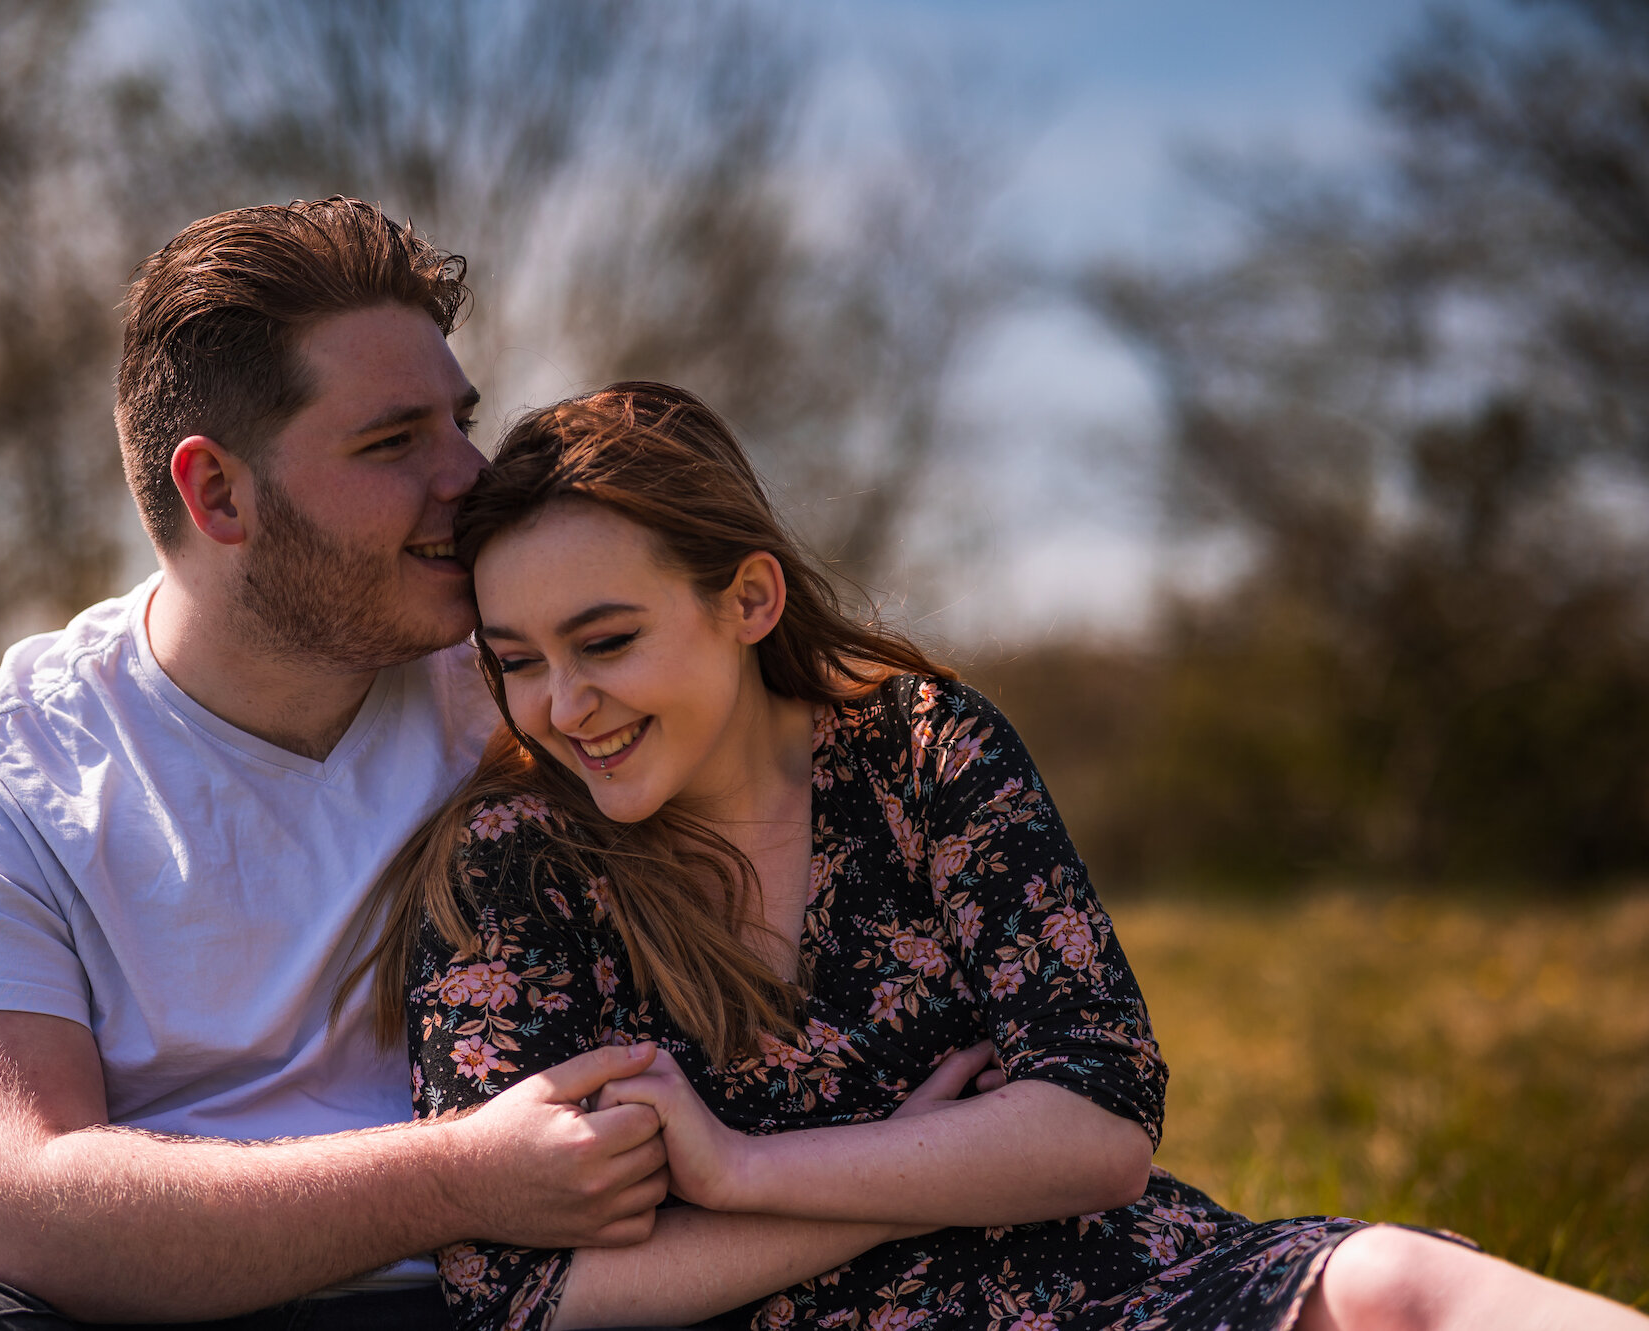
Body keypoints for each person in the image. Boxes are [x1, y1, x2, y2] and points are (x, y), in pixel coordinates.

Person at [370, 381, 1649, 1331]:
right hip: (772, 1321)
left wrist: (745, 1168)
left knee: (1397, 1286)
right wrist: (906, 1181)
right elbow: (526, 1293)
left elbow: (1097, 1124)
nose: (560, 704)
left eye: (604, 640)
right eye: (517, 660)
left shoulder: (921, 754)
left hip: (1083, 1276)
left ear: (747, 601)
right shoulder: (512, 866)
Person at [0, 200, 681, 1331]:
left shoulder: (543, 689)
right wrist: (459, 1174)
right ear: (216, 492)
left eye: (458, 422)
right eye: (393, 441)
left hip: (501, 1290)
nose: (470, 474)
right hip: (152, 1298)